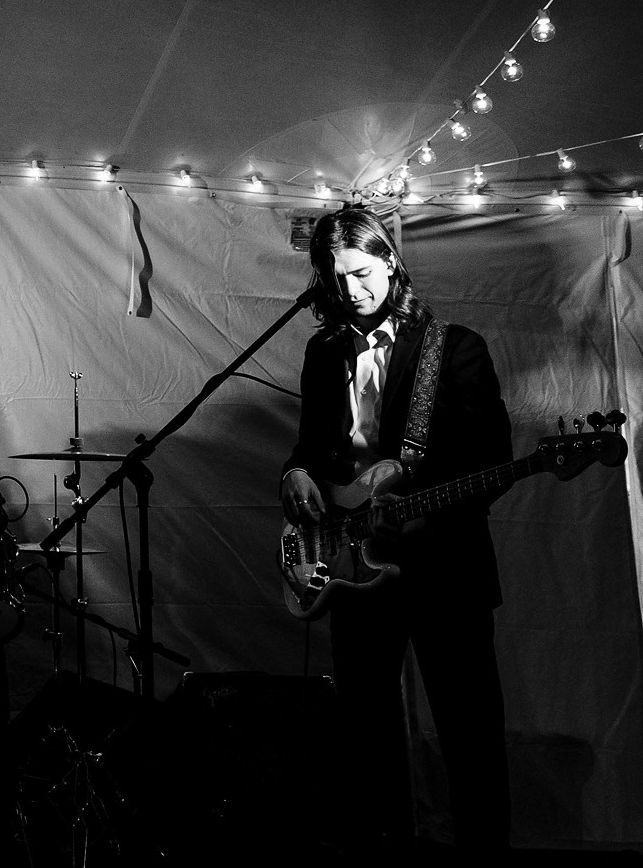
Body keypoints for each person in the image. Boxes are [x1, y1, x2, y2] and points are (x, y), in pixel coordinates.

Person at [280, 206, 511, 850]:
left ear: (390, 263)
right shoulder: (323, 350)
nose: (351, 289)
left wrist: (410, 478)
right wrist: (294, 472)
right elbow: (311, 446)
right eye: (337, 277)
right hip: (353, 570)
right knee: (365, 734)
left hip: (443, 569)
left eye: (361, 273)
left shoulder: (454, 347)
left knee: (469, 736)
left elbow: (491, 462)